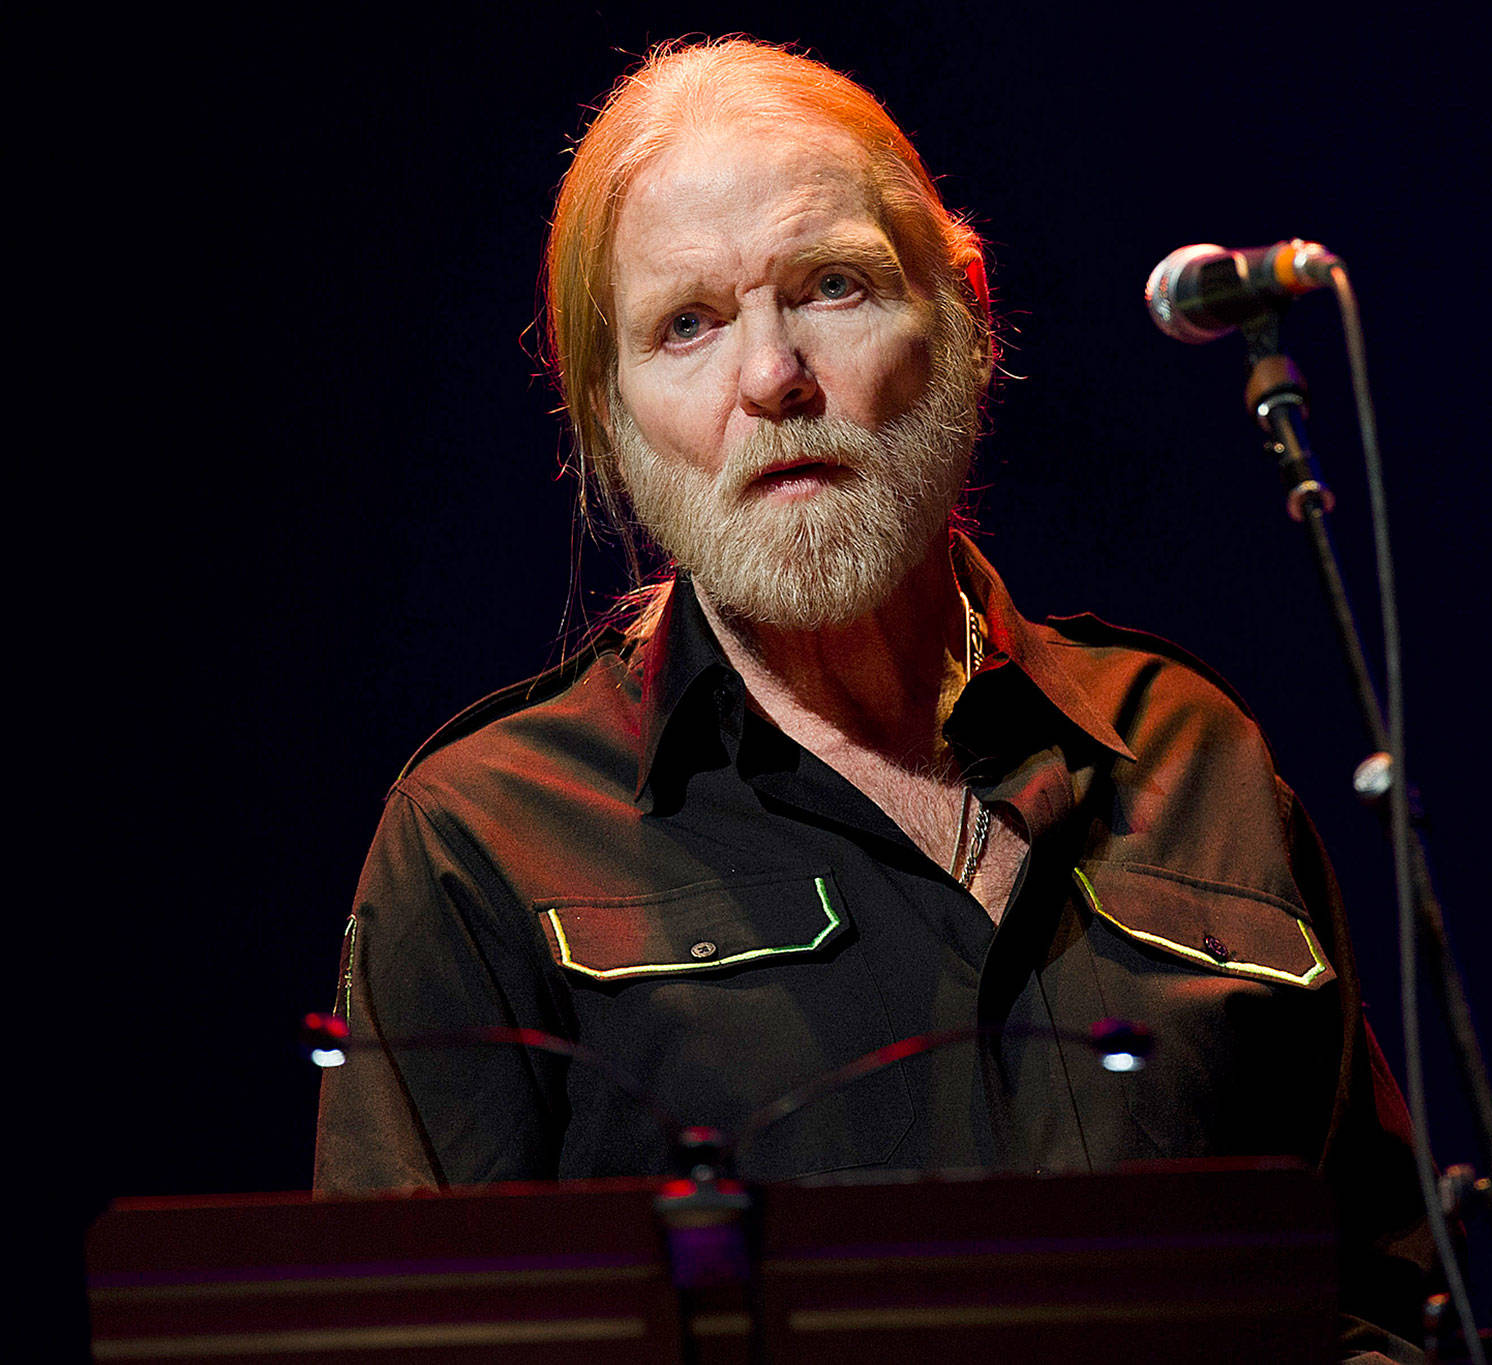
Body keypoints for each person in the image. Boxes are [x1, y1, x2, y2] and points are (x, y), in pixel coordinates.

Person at [315, 36, 1433, 1358]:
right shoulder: (483, 844)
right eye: (688, 323)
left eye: (832, 286)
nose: (773, 376)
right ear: (607, 417)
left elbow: (1376, 1301)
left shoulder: (1196, 762)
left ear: (962, 313)